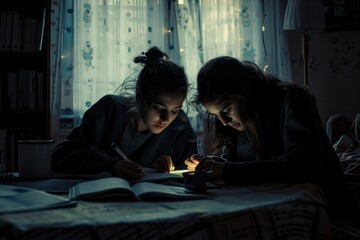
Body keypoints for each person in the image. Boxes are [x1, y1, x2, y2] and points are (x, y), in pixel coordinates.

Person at [185, 56, 360, 220]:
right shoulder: (235, 123)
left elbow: (302, 167)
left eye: (226, 110)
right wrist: (210, 165)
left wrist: (225, 170)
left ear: (245, 92)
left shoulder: (293, 100)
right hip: (272, 208)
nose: (223, 121)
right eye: (216, 115)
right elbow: (232, 163)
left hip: (327, 209)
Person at [52, 46, 197, 180]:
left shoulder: (180, 125)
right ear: (140, 95)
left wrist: (164, 168)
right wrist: (111, 165)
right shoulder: (110, 110)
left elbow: (190, 174)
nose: (166, 118)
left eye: (175, 110)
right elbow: (60, 156)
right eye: (159, 108)